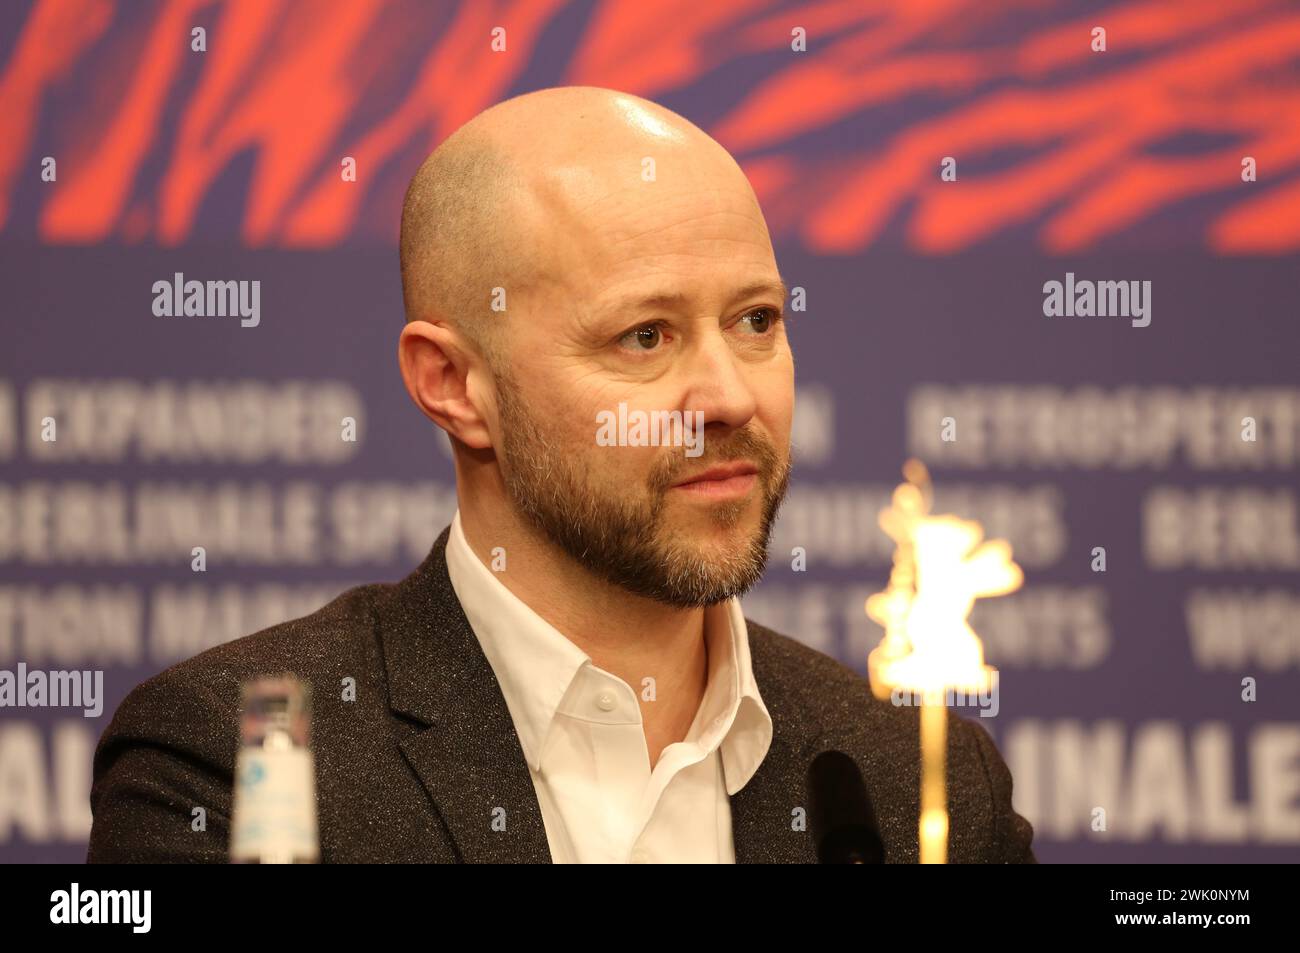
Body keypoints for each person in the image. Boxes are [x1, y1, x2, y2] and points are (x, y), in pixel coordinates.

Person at [87, 85, 1035, 863]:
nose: (730, 397)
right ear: (454, 384)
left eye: (756, 321)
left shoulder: (916, 780)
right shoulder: (236, 762)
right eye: (645, 337)